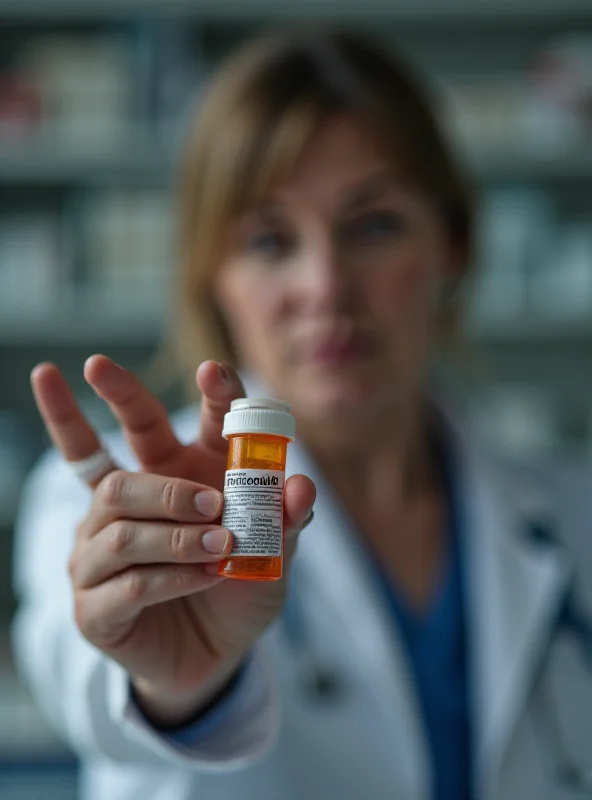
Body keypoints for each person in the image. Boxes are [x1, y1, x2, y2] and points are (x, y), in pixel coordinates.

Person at [11, 26, 592, 800]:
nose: (325, 286)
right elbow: (80, 671)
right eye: (269, 239)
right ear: (212, 273)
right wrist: (180, 691)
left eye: (374, 225)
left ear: (451, 243)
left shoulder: (573, 512)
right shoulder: (108, 495)